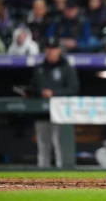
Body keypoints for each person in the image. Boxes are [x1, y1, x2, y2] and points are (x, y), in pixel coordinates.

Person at [29, 37, 79, 168]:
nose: (51, 51)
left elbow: (74, 89)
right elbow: (33, 87)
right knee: (43, 144)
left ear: (59, 50)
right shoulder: (39, 68)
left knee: (59, 143)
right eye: (49, 48)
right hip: (42, 112)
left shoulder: (66, 68)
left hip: (60, 113)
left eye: (54, 48)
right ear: (45, 50)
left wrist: (54, 93)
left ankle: (62, 172)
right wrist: (37, 92)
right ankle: (42, 172)